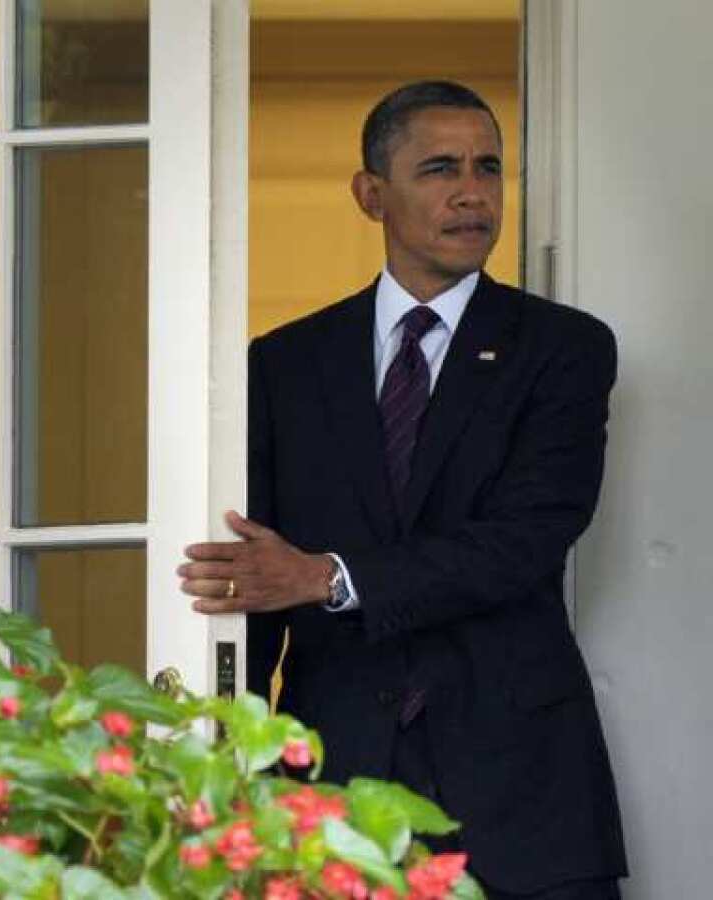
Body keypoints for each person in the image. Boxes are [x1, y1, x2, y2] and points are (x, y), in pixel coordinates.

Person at [177, 81, 628, 899]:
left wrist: (330, 576)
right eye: (440, 168)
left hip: (520, 791)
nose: (471, 192)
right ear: (370, 194)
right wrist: (231, 778)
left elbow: (527, 540)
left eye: (489, 168)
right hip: (331, 779)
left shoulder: (564, 349)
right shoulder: (282, 366)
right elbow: (253, 578)